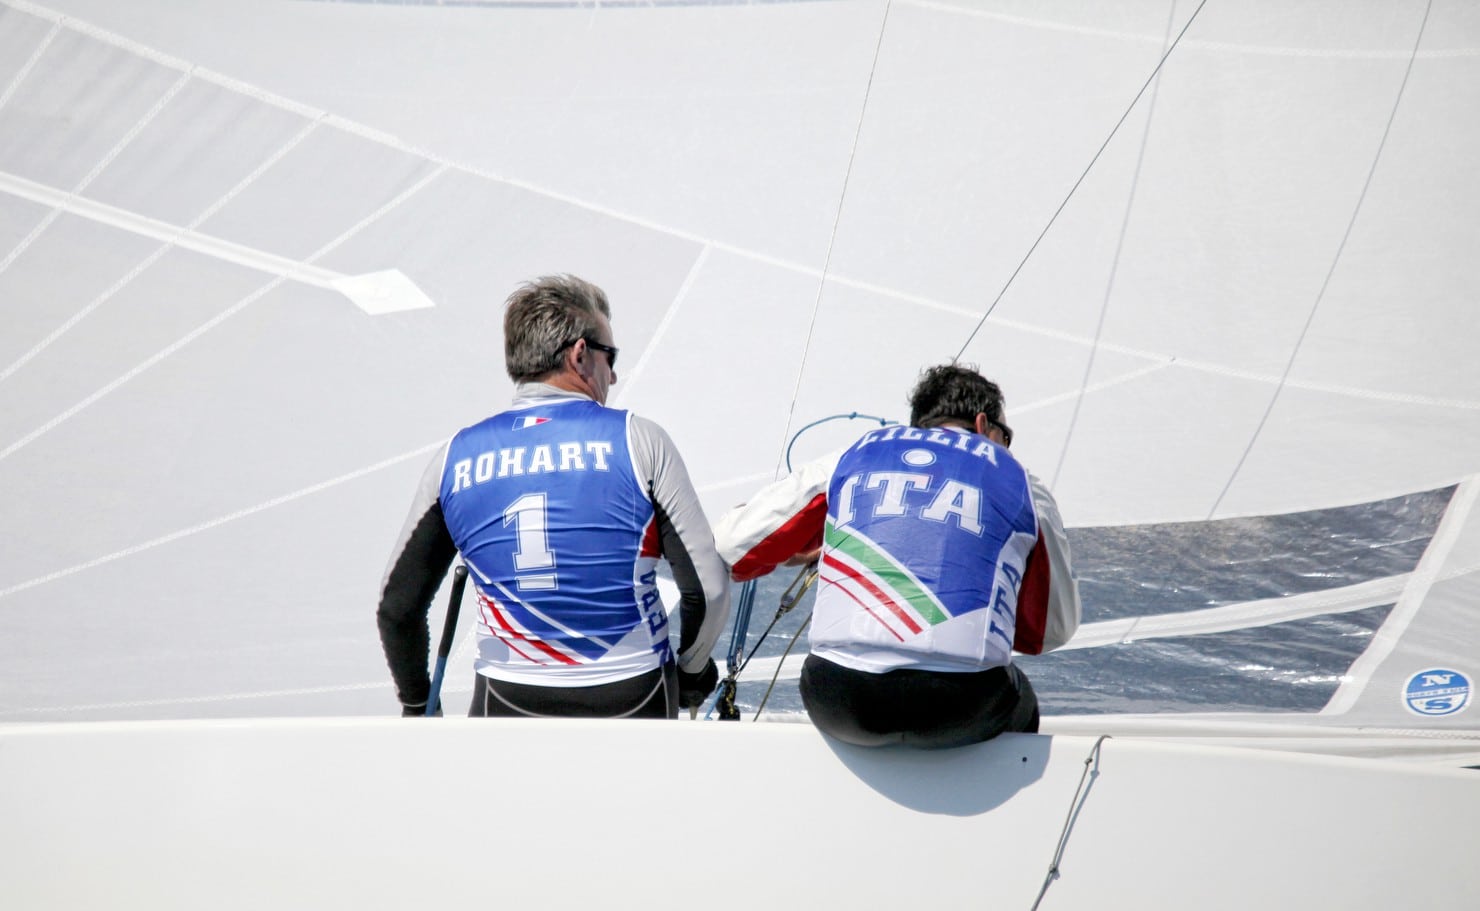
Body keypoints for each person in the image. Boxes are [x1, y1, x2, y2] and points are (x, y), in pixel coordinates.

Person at [377, 274, 730, 719]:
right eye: (610, 356)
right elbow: (709, 589)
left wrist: (416, 702)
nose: (614, 374)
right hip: (632, 691)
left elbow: (397, 608)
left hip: (505, 697)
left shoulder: (454, 457)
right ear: (580, 354)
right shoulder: (640, 439)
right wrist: (693, 673)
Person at [712, 364, 1079, 748]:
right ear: (986, 425)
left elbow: (732, 545)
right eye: (1006, 436)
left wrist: (811, 549)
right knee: (1021, 701)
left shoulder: (856, 454)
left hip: (840, 700)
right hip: (962, 707)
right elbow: (1051, 631)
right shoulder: (1021, 481)